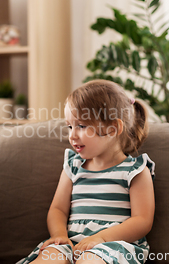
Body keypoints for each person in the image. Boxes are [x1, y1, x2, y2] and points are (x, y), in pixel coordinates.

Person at [17, 79, 155, 264]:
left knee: (91, 260)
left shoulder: (135, 170)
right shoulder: (73, 166)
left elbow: (142, 220)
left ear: (113, 129)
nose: (72, 135)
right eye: (70, 126)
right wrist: (59, 236)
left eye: (81, 126)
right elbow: (58, 209)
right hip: (71, 243)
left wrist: (101, 238)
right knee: (51, 257)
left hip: (114, 245)